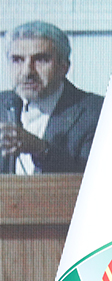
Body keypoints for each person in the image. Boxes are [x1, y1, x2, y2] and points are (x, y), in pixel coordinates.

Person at [1, 21, 103, 174]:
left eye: (41, 60)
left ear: (64, 67)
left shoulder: (96, 112)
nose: (27, 71)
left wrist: (41, 150)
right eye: (17, 60)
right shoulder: (2, 104)